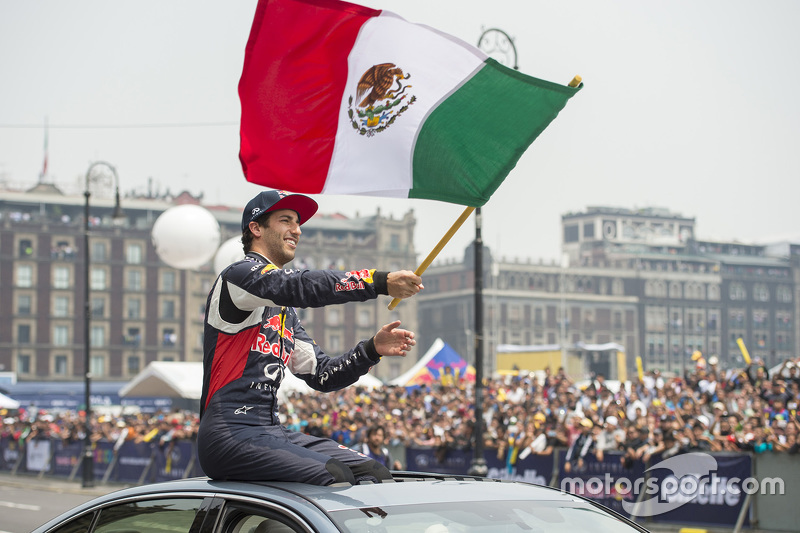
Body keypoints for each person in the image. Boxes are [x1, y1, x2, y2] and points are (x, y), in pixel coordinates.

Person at [197, 190, 423, 486]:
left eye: (298, 222)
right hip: (228, 433)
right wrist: (377, 281)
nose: (297, 230)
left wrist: (371, 349)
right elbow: (299, 286)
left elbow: (323, 375)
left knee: (374, 473)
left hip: (269, 430)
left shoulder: (283, 312)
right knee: (335, 476)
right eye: (286, 220)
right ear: (256, 228)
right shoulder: (238, 276)